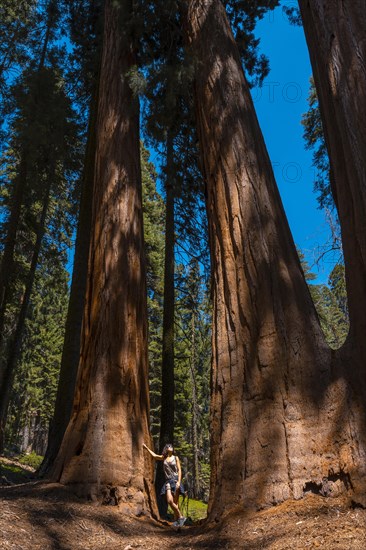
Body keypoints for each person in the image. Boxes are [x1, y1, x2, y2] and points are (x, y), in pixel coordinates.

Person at [143, 442, 187, 527]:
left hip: (175, 481)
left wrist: (178, 482)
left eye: (171, 446)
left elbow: (179, 470)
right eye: (169, 446)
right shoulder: (164, 458)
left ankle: (177, 525)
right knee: (170, 501)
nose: (171, 447)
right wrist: (146, 448)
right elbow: (155, 456)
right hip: (168, 481)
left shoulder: (176, 458)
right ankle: (181, 517)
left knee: (175, 502)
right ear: (166, 449)